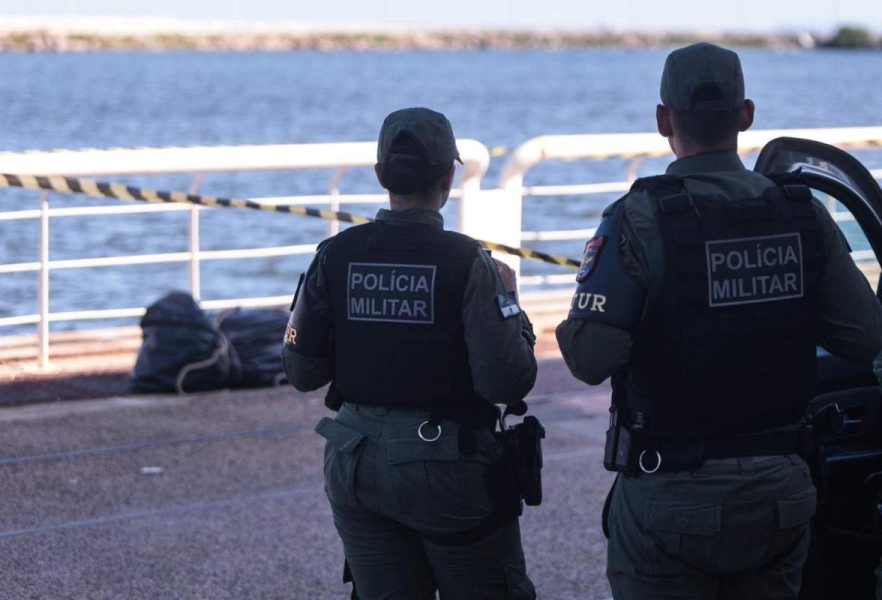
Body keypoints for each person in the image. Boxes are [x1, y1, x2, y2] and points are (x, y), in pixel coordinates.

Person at [556, 42, 882, 599]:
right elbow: (863, 337)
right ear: (746, 115)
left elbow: (590, 360)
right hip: (780, 492)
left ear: (663, 120)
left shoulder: (638, 218)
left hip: (671, 495)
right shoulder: (803, 212)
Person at [282, 107, 538, 599]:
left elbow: (301, 370)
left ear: (381, 176)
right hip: (447, 465)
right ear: (448, 176)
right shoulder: (472, 263)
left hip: (352, 457)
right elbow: (507, 382)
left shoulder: (334, 255)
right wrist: (509, 301)